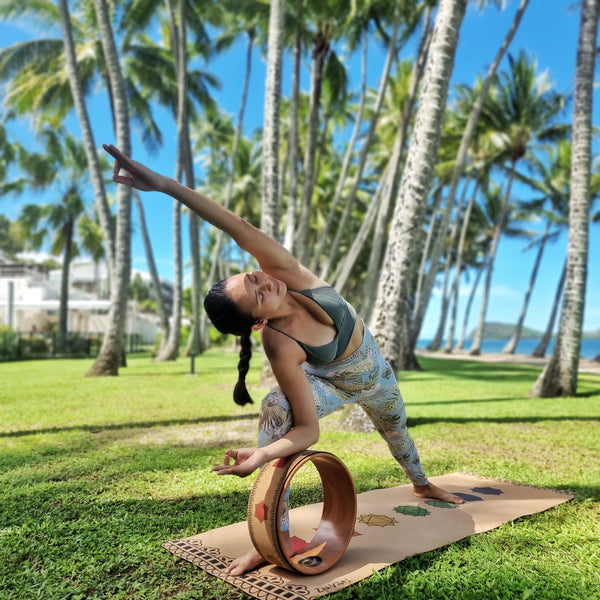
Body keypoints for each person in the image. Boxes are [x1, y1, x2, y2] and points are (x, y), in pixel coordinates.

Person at [103, 144, 464, 575]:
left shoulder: (288, 272)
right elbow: (308, 429)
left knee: (398, 437)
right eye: (258, 297)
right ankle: (272, 533)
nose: (265, 285)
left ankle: (422, 485)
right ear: (258, 324)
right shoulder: (279, 343)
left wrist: (164, 186)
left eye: (255, 278)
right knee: (276, 405)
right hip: (331, 384)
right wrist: (262, 455)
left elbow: (234, 224)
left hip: (379, 378)